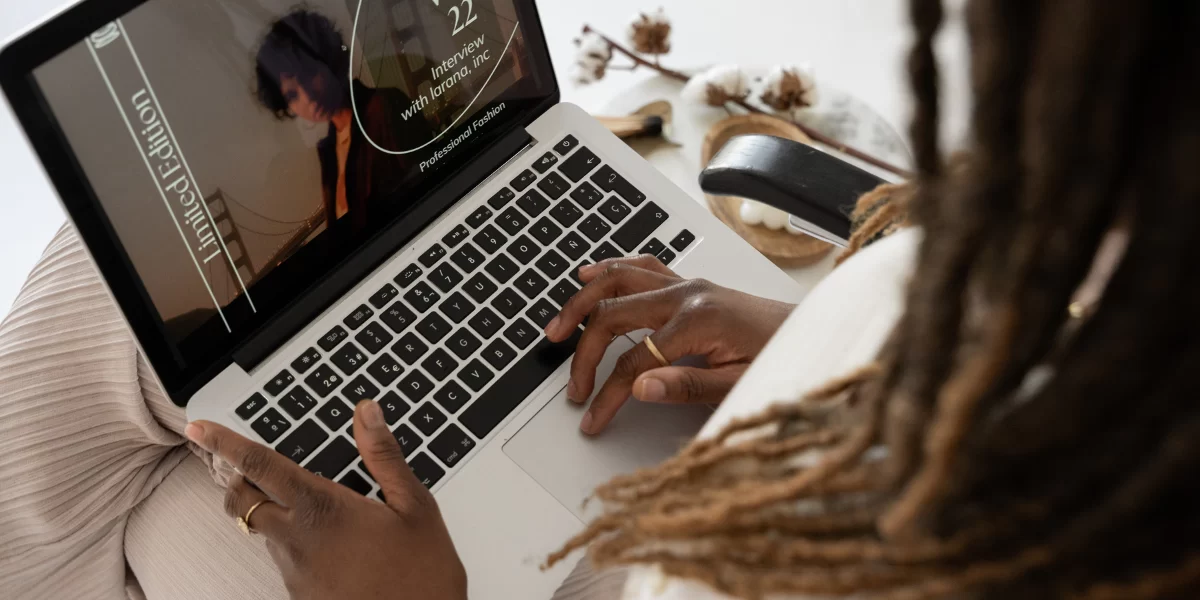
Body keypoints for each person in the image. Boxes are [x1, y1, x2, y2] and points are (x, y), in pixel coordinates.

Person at [2, 0, 1198, 599]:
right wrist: (831, 352)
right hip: (752, 430)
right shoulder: (1129, 347)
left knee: (159, 383)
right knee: (191, 366)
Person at [254, 10, 433, 232]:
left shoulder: (385, 106)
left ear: (328, 58)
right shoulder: (328, 150)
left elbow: (429, 192)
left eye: (308, 73)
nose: (307, 97)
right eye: (292, 95)